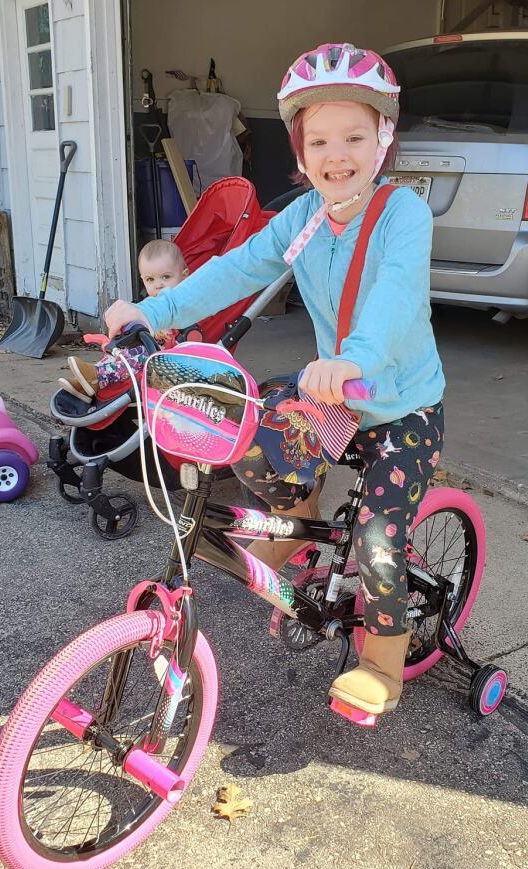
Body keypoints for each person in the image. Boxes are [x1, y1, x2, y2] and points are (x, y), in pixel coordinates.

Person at [104, 43, 444, 721]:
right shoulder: (304, 217)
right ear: (299, 147)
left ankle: (381, 663)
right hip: (330, 399)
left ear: (383, 139)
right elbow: (234, 270)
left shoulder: (403, 215)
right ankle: (302, 520)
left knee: (378, 540)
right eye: (319, 139)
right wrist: (150, 310)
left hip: (400, 408)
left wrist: (356, 356)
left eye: (354, 135)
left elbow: (397, 294)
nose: (336, 154)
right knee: (253, 436)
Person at [59, 240, 188, 401]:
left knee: (134, 357)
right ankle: (88, 383)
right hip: (142, 349)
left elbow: (180, 329)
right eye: (150, 280)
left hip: (165, 359)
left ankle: (96, 376)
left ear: (184, 276)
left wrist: (160, 329)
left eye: (166, 277)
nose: (158, 285)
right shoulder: (146, 306)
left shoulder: (184, 307)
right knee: (117, 354)